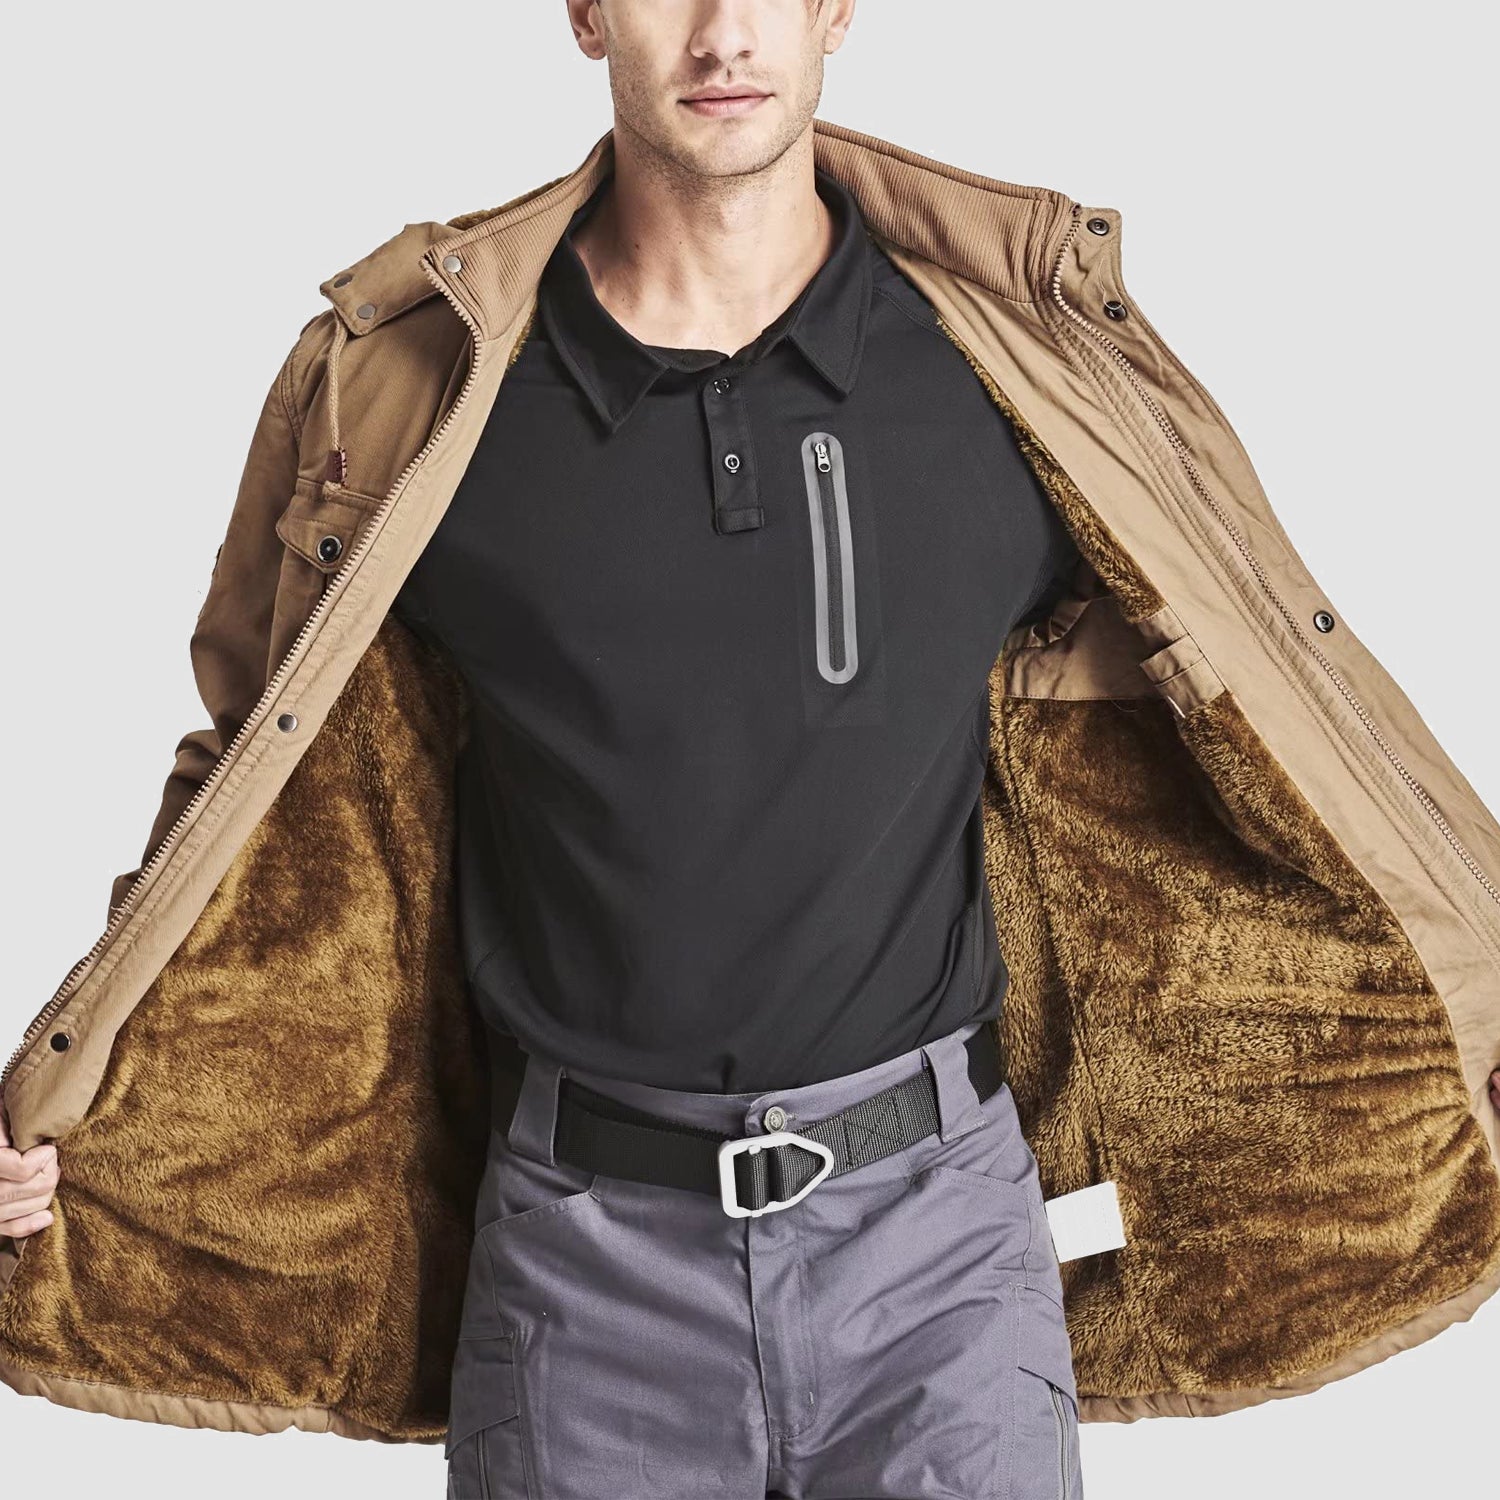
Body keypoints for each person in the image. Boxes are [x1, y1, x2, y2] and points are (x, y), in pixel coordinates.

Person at [5, 2, 1499, 1496]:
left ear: (836, 7)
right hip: (582, 1259)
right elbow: (250, 788)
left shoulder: (1012, 361)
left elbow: (1286, 700)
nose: (724, 32)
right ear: (586, 13)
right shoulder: (420, 391)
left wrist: (1482, 995)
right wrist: (84, 1103)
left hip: (942, 1243)